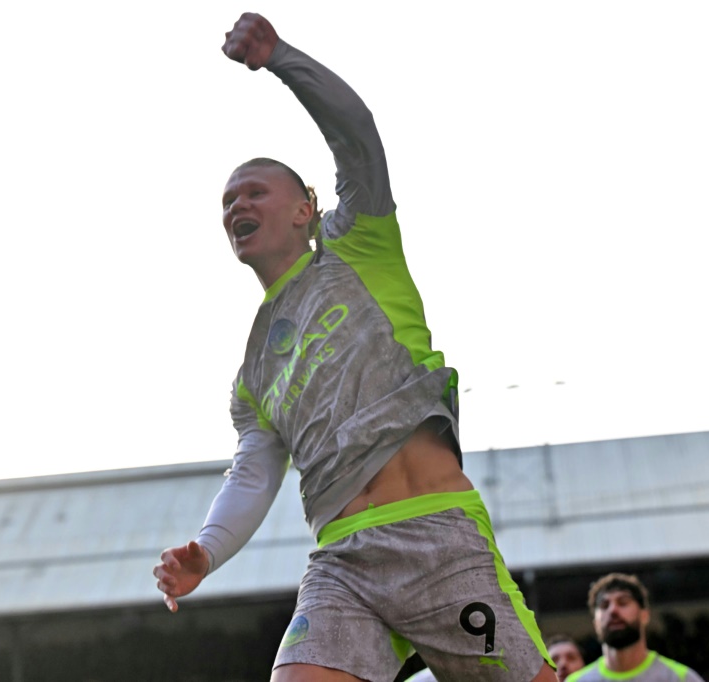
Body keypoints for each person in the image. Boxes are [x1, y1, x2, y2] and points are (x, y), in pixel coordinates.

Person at [152, 12, 555, 682]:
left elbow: (357, 135)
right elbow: (253, 473)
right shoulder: (253, 371)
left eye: (254, 191)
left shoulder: (358, 245)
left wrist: (280, 57)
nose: (236, 206)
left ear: (304, 209)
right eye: (227, 202)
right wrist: (207, 551)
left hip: (435, 539)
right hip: (342, 561)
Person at [567, 573, 704, 682]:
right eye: (604, 605)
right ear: (595, 623)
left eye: (623, 602)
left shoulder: (681, 678)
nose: (613, 610)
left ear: (644, 615)